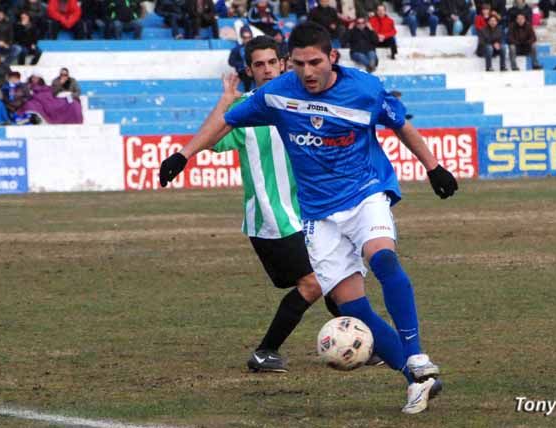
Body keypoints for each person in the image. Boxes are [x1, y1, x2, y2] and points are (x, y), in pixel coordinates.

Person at [159, 21, 458, 415]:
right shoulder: (277, 94)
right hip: (318, 213)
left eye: (315, 62)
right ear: (291, 63)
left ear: (332, 57)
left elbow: (400, 125)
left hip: (365, 192)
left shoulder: (364, 89)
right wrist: (184, 155)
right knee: (353, 307)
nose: (307, 72)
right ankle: (417, 380)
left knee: (382, 257)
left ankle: (416, 354)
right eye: (299, 64)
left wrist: (433, 167)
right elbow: (227, 120)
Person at [212, 35, 345, 372]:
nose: (268, 70)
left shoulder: (300, 103)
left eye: (272, 62)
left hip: (309, 212)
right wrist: (225, 101)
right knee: (314, 283)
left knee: (334, 276)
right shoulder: (243, 111)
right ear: (249, 70)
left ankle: (360, 338)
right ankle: (264, 351)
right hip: (271, 218)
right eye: (259, 64)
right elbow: (211, 142)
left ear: (283, 63)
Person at [228, 27, 254, 91]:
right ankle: (247, 93)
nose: (247, 40)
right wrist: (241, 65)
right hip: (242, 71)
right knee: (246, 75)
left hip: (253, 69)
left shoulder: (255, 48)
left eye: (249, 37)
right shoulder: (237, 49)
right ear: (242, 38)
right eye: (245, 37)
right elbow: (231, 61)